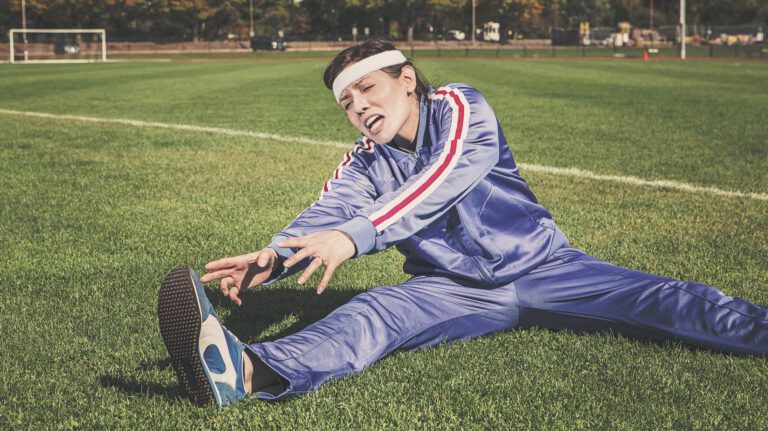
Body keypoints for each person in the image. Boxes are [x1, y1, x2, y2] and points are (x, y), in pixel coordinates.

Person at [157, 39, 768, 409]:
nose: (359, 108)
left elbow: (447, 175)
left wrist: (356, 235)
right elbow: (326, 214)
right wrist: (275, 257)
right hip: (448, 289)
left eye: (367, 89)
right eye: (347, 102)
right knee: (370, 315)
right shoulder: (362, 162)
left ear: (405, 78)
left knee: (669, 302)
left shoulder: (459, 106)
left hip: (547, 267)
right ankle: (244, 371)